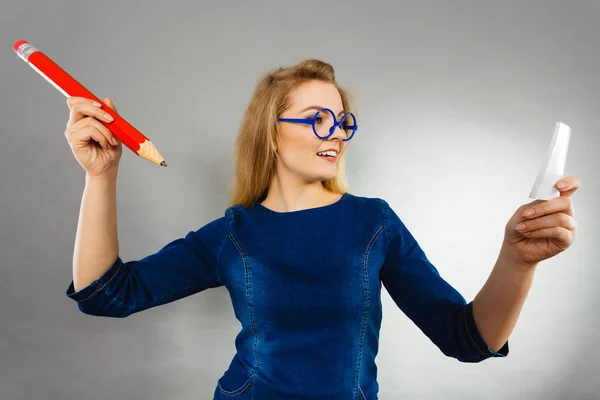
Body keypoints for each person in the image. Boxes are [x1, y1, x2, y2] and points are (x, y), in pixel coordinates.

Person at [63, 59, 580, 399]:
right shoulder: (232, 233)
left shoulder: (372, 222)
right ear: (271, 135)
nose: (335, 134)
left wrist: (519, 261)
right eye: (317, 118)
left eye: (342, 121)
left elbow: (467, 339)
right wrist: (102, 176)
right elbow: (105, 294)